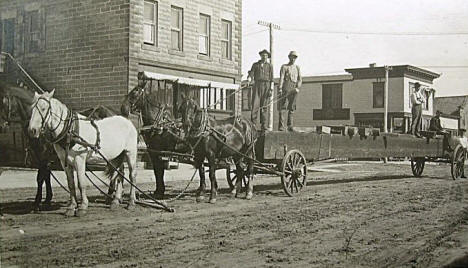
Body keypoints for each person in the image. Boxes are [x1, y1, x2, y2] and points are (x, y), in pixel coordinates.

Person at [247, 49, 273, 131]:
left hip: (266, 86)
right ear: (260, 56)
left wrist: (271, 89)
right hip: (257, 85)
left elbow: (272, 78)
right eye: (263, 55)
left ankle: (263, 125)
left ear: (267, 57)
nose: (264, 57)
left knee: (264, 106)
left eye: (266, 56)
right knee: (255, 104)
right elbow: (251, 73)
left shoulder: (269, 66)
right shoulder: (256, 65)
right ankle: (253, 124)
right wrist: (249, 78)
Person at [278, 51, 302, 131]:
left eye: (295, 57)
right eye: (292, 57)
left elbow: (300, 79)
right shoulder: (284, 67)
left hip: (294, 87)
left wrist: (298, 87)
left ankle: (290, 125)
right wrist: (280, 88)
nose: (293, 59)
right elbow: (281, 78)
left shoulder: (297, 67)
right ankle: (281, 126)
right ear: (289, 57)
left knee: (292, 107)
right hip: (286, 86)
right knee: (282, 107)